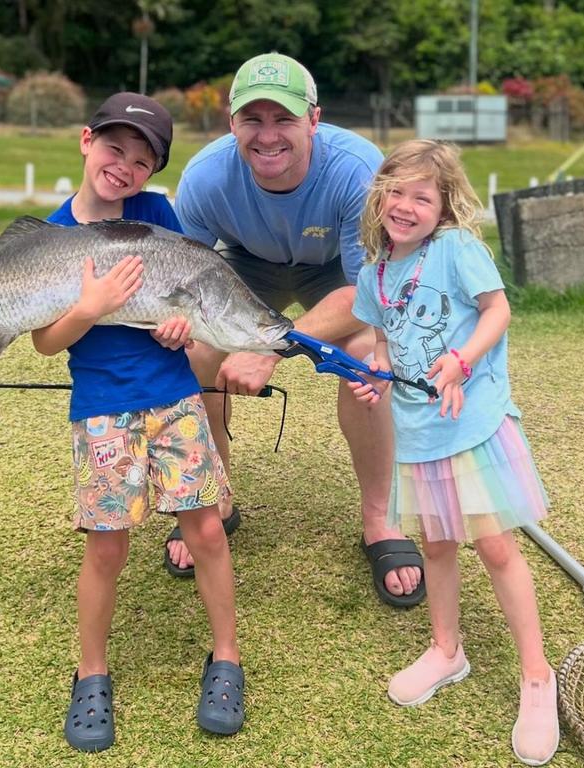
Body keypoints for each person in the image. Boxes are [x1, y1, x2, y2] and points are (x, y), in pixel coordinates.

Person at [171, 52, 425, 607]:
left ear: (314, 119)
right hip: (245, 265)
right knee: (194, 354)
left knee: (364, 359)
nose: (268, 136)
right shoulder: (205, 178)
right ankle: (213, 497)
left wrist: (269, 348)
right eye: (251, 120)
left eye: (283, 119)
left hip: (336, 272)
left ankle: (379, 520)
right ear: (230, 122)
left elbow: (370, 294)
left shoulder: (358, 170)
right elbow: (185, 281)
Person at [32, 93, 245, 752]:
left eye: (141, 159)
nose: (122, 167)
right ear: (85, 140)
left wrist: (180, 328)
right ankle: (91, 672)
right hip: (101, 407)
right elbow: (44, 342)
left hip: (175, 397)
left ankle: (228, 658)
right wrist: (89, 305)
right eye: (113, 149)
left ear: (153, 171)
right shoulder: (52, 233)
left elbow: (183, 296)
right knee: (107, 545)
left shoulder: (157, 214)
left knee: (206, 527)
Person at [349, 139, 559, 766]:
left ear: (443, 207)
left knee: (495, 545)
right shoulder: (373, 270)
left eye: (423, 195)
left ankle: (537, 676)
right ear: (379, 194)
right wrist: (377, 367)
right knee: (437, 544)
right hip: (418, 430)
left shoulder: (458, 250)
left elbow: (499, 310)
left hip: (472, 419)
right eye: (398, 190)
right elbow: (382, 337)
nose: (407, 205)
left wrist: (463, 361)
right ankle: (447, 650)